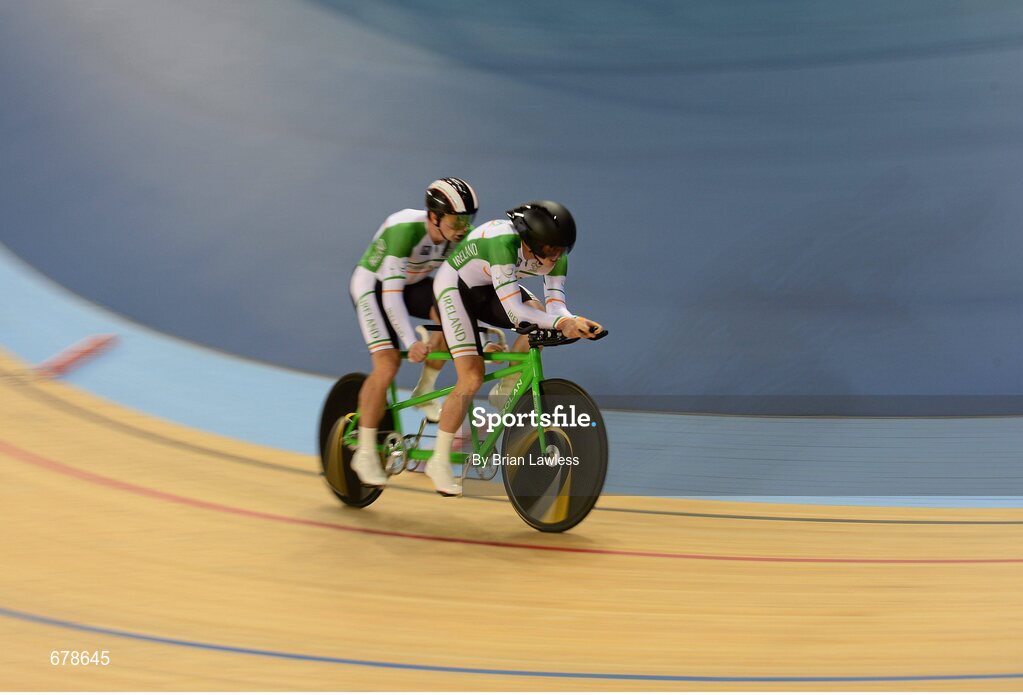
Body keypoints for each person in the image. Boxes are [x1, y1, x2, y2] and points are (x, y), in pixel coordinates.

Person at [426, 200, 604, 495]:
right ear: (528, 240)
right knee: (471, 376)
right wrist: (562, 324)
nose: (555, 257)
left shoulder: (556, 252)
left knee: (538, 314)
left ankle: (506, 389)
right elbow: (515, 313)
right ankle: (438, 460)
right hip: (455, 288)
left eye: (562, 250)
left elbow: (555, 307)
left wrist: (574, 320)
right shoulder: (503, 243)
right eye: (548, 250)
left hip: (489, 285)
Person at [348, 178, 479, 487]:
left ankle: (424, 390)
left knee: (452, 315)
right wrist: (410, 342)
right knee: (388, 363)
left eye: (468, 219)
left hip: (411, 284)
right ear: (434, 217)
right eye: (457, 220)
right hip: (374, 287)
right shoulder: (403, 230)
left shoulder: (459, 235)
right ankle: (364, 452)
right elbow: (391, 297)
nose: (464, 227)